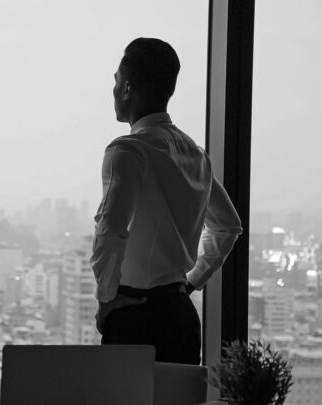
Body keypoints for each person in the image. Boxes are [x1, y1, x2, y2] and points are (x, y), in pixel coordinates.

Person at [91, 37, 243, 365]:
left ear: (128, 88)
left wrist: (106, 299)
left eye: (116, 81)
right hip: (182, 318)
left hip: (134, 316)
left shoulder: (127, 151)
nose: (114, 89)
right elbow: (228, 227)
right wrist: (190, 283)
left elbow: (111, 230)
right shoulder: (195, 154)